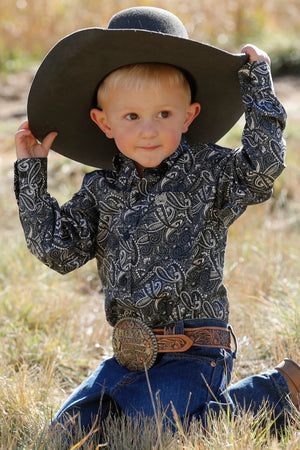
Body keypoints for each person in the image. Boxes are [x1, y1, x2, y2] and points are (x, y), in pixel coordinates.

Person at [14, 6, 299, 436]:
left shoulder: (208, 171)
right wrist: (32, 176)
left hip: (195, 351)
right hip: (127, 357)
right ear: (103, 122)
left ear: (189, 115)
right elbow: (58, 251)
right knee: (64, 435)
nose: (149, 130)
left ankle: (280, 391)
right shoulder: (99, 190)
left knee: (155, 433)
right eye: (132, 117)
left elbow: (261, 169)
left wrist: (258, 85)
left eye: (164, 115)